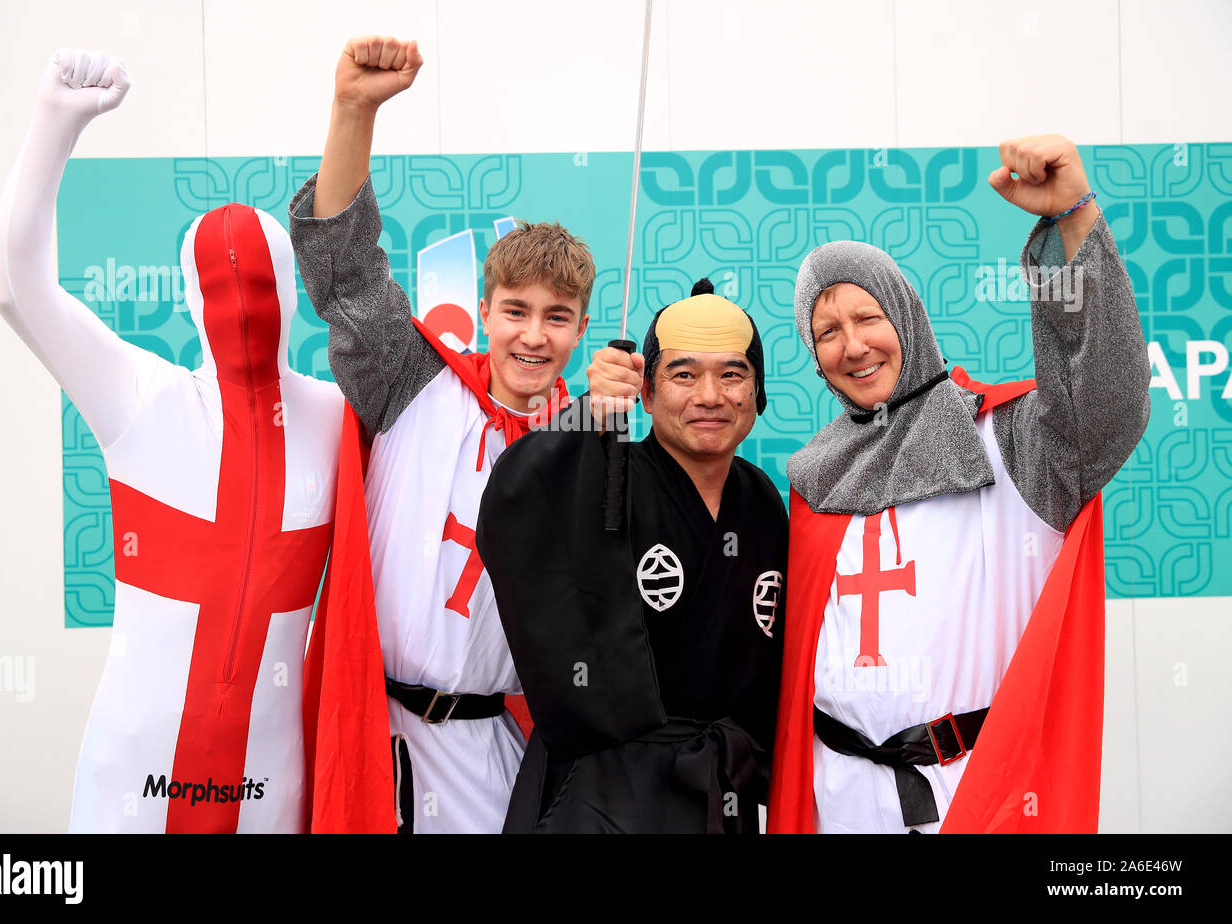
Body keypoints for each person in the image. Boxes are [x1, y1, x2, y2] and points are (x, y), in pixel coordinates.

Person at [0, 50, 361, 832]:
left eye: (259, 286)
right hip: (136, 770)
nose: (243, 306)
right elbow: (9, 282)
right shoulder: (138, 395)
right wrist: (56, 121)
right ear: (190, 301)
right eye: (220, 290)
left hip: (269, 772)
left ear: (291, 292)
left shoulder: (336, 416)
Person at [767, 135, 1151, 834]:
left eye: (867, 318)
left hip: (970, 796)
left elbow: (1106, 407)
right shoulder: (814, 477)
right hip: (839, 797)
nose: (852, 346)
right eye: (826, 331)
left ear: (907, 316)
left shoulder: (1008, 442)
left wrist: (1073, 221)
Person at [288, 34, 596, 833]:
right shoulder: (411, 376)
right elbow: (344, 270)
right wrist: (355, 106)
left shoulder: (590, 441)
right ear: (484, 310)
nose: (534, 336)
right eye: (517, 312)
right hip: (372, 731)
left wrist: (618, 420)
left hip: (493, 747)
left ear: (581, 329)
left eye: (557, 319)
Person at [477, 280, 788, 833]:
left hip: (726, 788)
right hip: (602, 791)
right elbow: (516, 499)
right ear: (644, 393)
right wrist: (588, 416)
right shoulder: (605, 476)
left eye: (732, 374)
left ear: (758, 395)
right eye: (683, 374)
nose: (710, 396)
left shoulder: (762, 500)